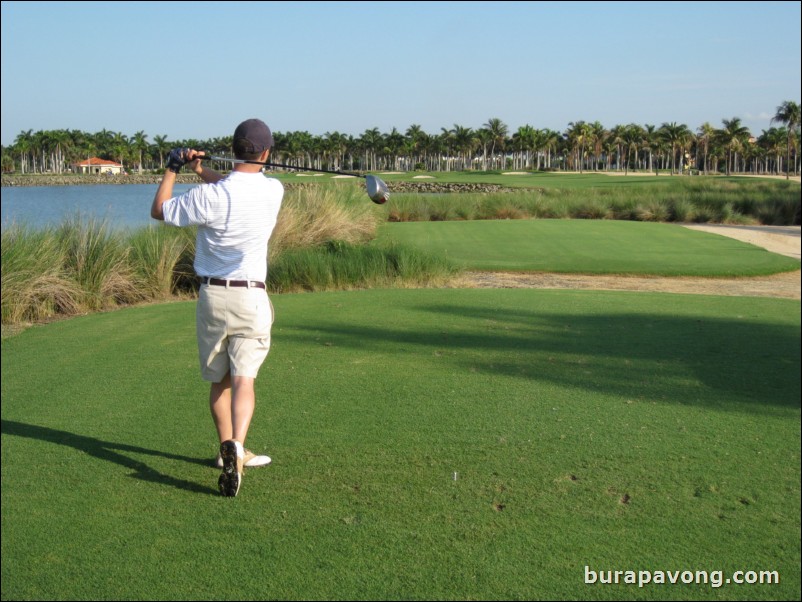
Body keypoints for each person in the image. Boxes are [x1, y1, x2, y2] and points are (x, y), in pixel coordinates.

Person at [150, 118, 284, 497]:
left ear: (235, 148)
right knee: (244, 380)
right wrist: (200, 170)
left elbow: (160, 210)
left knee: (220, 381)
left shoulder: (210, 197)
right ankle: (237, 449)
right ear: (266, 153)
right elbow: (236, 188)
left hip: (213, 297)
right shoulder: (274, 191)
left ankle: (227, 449)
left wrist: (175, 168)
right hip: (251, 297)